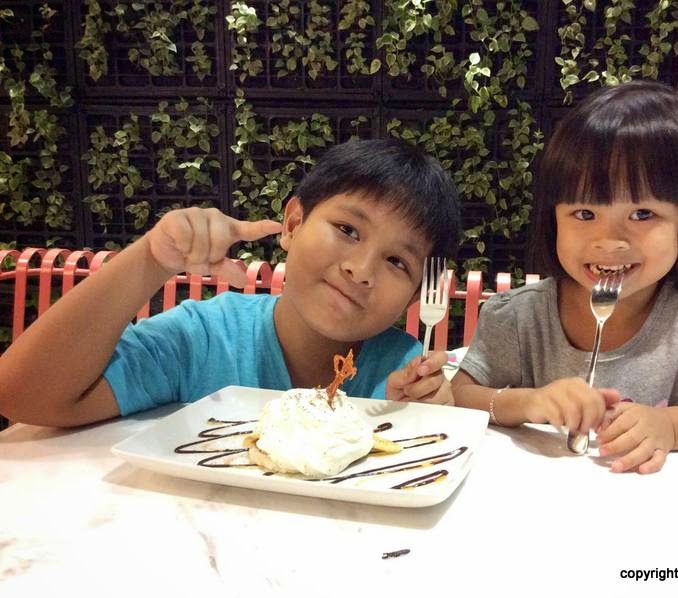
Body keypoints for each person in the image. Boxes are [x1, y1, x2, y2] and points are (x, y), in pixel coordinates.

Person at [451, 80, 678, 474]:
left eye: (642, 214)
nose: (608, 240)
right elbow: (459, 395)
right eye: (584, 214)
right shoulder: (518, 317)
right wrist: (529, 402)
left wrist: (671, 427)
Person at [0, 139, 461, 427]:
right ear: (293, 223)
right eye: (347, 229)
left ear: (414, 296)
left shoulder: (400, 370)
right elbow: (23, 396)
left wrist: (428, 417)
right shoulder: (203, 339)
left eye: (397, 261)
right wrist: (151, 261)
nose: (361, 269)